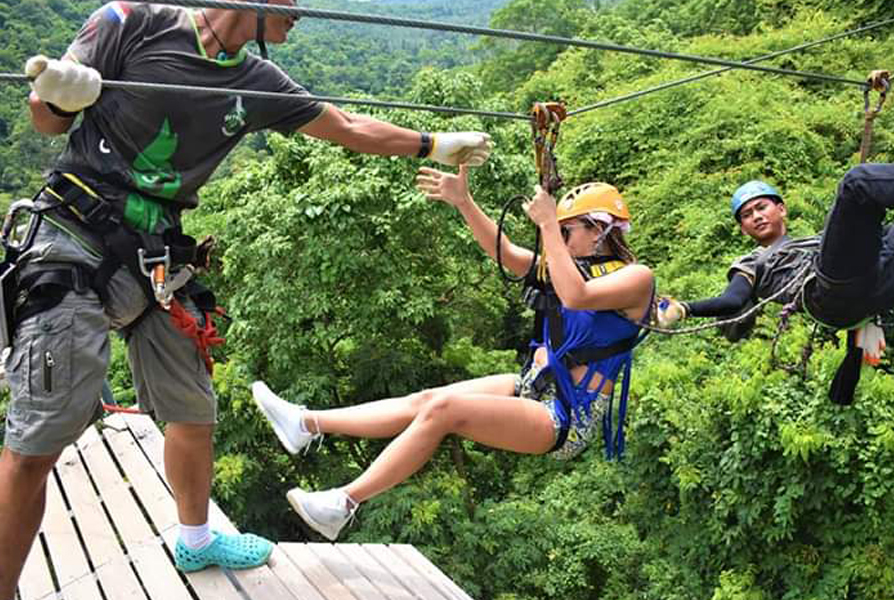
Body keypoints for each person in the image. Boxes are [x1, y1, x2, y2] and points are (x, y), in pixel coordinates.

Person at [0, 0, 494, 595]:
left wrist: (434, 143)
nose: (300, 16)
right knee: (40, 439)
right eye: (292, 5)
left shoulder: (257, 81)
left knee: (192, 408)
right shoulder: (131, 21)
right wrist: (58, 98)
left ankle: (196, 538)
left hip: (157, 254)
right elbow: (46, 119)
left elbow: (349, 128)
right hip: (76, 239)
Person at [251, 164, 654, 541]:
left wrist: (549, 224)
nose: (560, 243)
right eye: (560, 233)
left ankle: (344, 502)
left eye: (569, 233)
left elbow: (576, 295)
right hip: (534, 386)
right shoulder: (570, 264)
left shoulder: (636, 279)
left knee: (445, 414)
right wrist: (464, 200)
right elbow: (507, 254)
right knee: (429, 400)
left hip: (566, 416)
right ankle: (306, 424)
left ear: (599, 231)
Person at [657, 167, 894, 399]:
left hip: (873, 281)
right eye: (747, 215)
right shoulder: (752, 262)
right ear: (742, 229)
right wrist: (684, 308)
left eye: (761, 207)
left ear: (781, 210)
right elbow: (732, 301)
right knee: (856, 183)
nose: (756, 216)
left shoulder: (811, 241)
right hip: (828, 292)